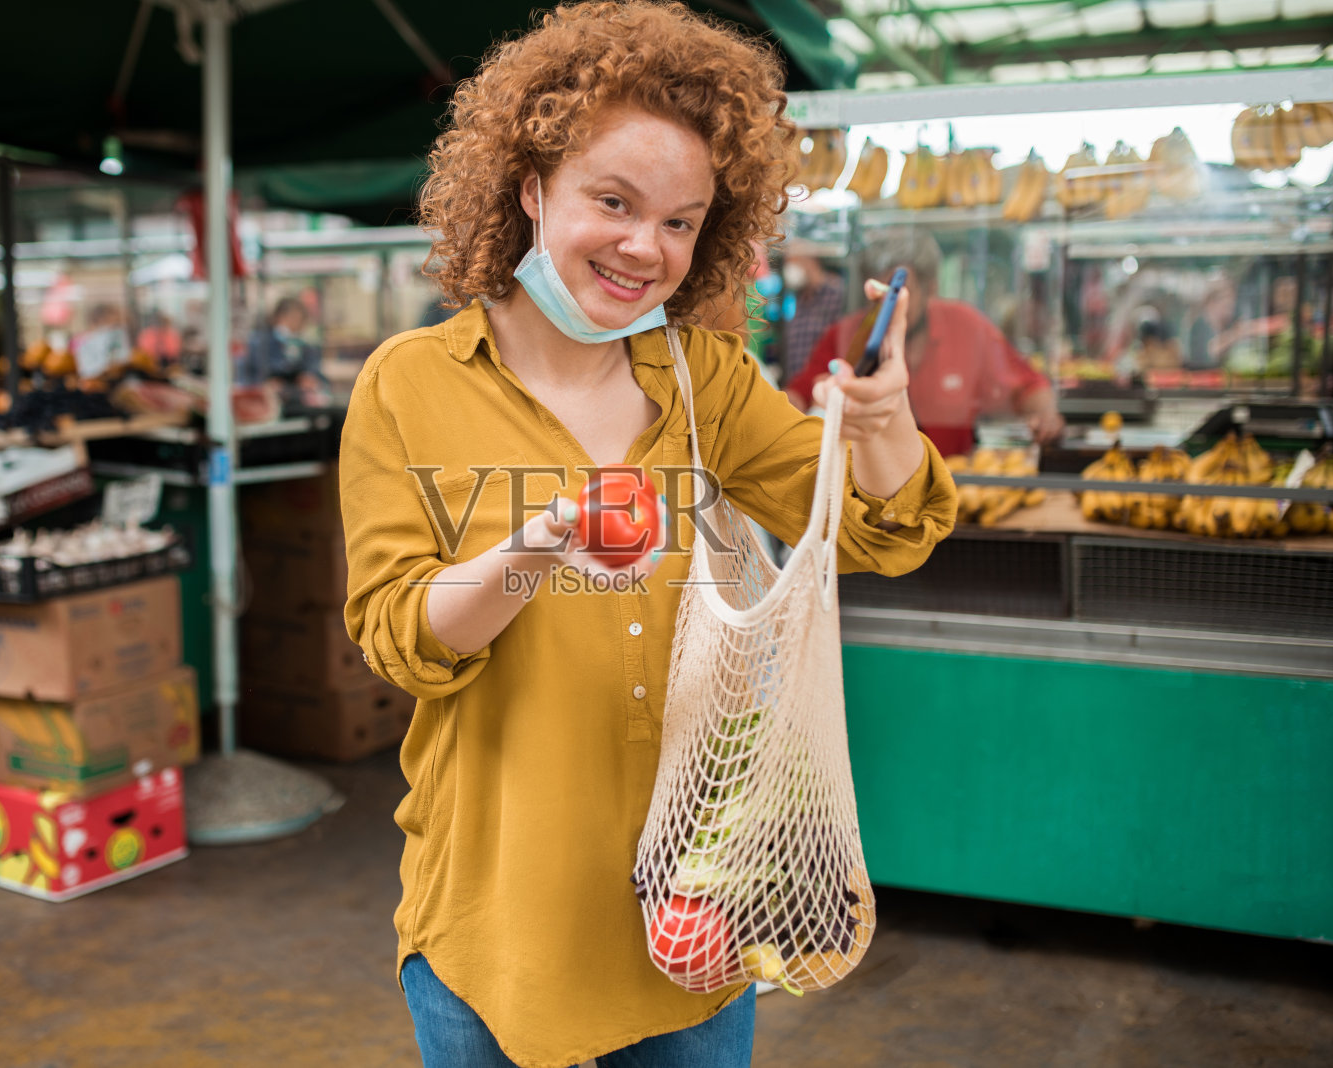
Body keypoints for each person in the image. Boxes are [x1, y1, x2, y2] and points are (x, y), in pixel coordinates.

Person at [337, 4, 956, 1067]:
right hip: (496, 919)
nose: (644, 247)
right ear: (529, 190)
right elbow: (400, 638)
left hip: (691, 912)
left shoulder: (703, 381)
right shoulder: (411, 384)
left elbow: (874, 532)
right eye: (611, 202)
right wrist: (538, 544)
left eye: (680, 221)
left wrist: (886, 418)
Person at [786, 231, 1065, 458]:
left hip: (954, 487)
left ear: (931, 288)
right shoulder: (847, 335)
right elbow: (798, 395)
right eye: (879, 295)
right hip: (867, 493)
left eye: (898, 294)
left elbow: (1027, 385)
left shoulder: (967, 326)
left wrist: (1045, 416)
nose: (887, 308)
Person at [774, 241, 845, 386]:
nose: (789, 267)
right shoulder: (799, 299)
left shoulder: (836, 294)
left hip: (823, 388)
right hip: (797, 391)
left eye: (793, 260)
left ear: (810, 260)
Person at [240, 295, 328, 396]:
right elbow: (248, 377)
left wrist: (310, 380)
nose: (294, 327)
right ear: (278, 318)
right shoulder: (259, 344)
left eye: (298, 322)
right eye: (291, 320)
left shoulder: (306, 348)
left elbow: (318, 377)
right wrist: (265, 385)